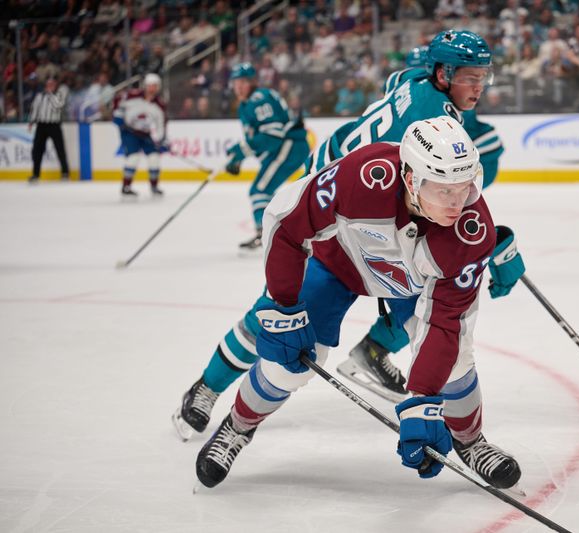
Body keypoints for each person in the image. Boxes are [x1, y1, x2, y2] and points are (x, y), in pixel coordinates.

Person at [172, 32, 524, 439]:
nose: (479, 87)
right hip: (343, 213)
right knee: (279, 314)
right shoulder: (433, 121)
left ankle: (380, 358)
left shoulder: (412, 81)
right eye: (470, 77)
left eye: (484, 76)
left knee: (427, 305)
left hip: (369, 204)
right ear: (443, 73)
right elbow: (414, 191)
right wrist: (490, 245)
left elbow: (397, 93)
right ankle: (206, 387)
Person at [193, 116, 522, 491]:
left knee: (456, 360)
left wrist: (423, 401)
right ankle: (237, 426)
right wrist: (283, 305)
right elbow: (287, 224)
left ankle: (471, 441)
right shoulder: (364, 176)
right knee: (289, 365)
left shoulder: (472, 232)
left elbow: (445, 323)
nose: (458, 203)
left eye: (465, 187)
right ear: (411, 179)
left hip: (409, 284)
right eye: (444, 190)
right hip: (338, 267)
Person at [224, 62, 311, 250]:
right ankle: (275, 234)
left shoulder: (259, 98)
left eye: (243, 82)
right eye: (235, 82)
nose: (238, 86)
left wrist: (240, 151)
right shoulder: (245, 105)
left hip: (290, 146)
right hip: (285, 147)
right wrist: (239, 157)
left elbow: (273, 136)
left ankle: (266, 235)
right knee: (263, 192)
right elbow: (257, 139)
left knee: (260, 190)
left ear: (252, 82)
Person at [112, 73, 168, 197]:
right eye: (149, 86)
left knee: (154, 158)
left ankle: (154, 186)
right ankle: (126, 186)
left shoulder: (160, 105)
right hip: (129, 132)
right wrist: (118, 117)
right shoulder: (131, 96)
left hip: (146, 134)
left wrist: (160, 139)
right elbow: (117, 103)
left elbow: (161, 124)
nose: (152, 89)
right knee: (133, 157)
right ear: (145, 86)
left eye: (154, 86)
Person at [28, 76, 70, 183]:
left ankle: (65, 172)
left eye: (52, 84)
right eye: (48, 84)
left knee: (60, 149)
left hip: (54, 125)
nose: (50, 86)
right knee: (37, 150)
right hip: (41, 125)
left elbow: (58, 105)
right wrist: (31, 121)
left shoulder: (58, 95)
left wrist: (50, 94)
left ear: (55, 85)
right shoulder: (39, 96)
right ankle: (35, 174)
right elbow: (35, 109)